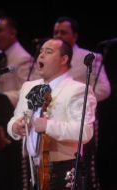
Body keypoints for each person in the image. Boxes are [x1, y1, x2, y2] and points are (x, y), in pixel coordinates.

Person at [7, 38, 97, 189]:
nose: (41, 55)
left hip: (63, 169)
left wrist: (48, 126)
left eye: (48, 52)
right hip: (33, 168)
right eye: (40, 51)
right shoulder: (29, 86)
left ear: (64, 59)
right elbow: (14, 119)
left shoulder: (78, 90)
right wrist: (16, 127)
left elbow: (85, 132)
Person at [53, 16, 111, 189]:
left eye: (63, 32)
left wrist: (80, 96)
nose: (58, 36)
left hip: (82, 117)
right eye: (55, 32)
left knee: (86, 164)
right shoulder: (50, 58)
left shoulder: (89, 57)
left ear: (75, 36)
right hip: (56, 121)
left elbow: (104, 88)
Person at [0, 16, 35, 190]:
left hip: (13, 114)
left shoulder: (23, 58)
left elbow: (27, 89)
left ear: (12, 33)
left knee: (11, 165)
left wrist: (3, 98)